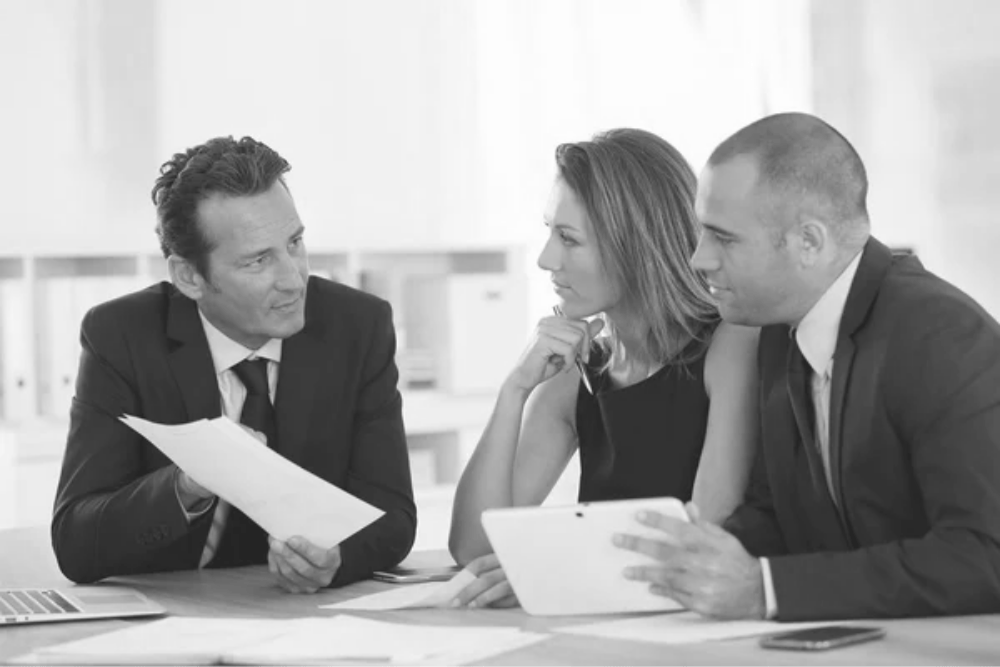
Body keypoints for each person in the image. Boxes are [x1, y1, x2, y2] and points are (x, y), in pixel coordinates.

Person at [614, 111, 1000, 621]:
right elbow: (774, 516)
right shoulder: (780, 328)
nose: (698, 260)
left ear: (809, 243)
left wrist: (765, 591)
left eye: (723, 238)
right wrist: (632, 571)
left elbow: (983, 557)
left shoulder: (941, 337)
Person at [51, 136, 416, 592]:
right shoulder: (121, 336)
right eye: (258, 260)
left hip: (305, 619)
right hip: (175, 618)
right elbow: (76, 541)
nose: (292, 279)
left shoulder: (358, 325)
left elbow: (394, 517)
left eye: (295, 243)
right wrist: (187, 485)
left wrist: (337, 558)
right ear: (189, 277)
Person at [448, 128, 760, 608]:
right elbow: (474, 547)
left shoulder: (730, 346)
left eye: (569, 239)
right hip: (607, 629)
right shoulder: (578, 370)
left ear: (636, 246)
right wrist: (515, 390)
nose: (546, 258)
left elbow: (698, 544)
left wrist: (548, 570)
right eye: (549, 231)